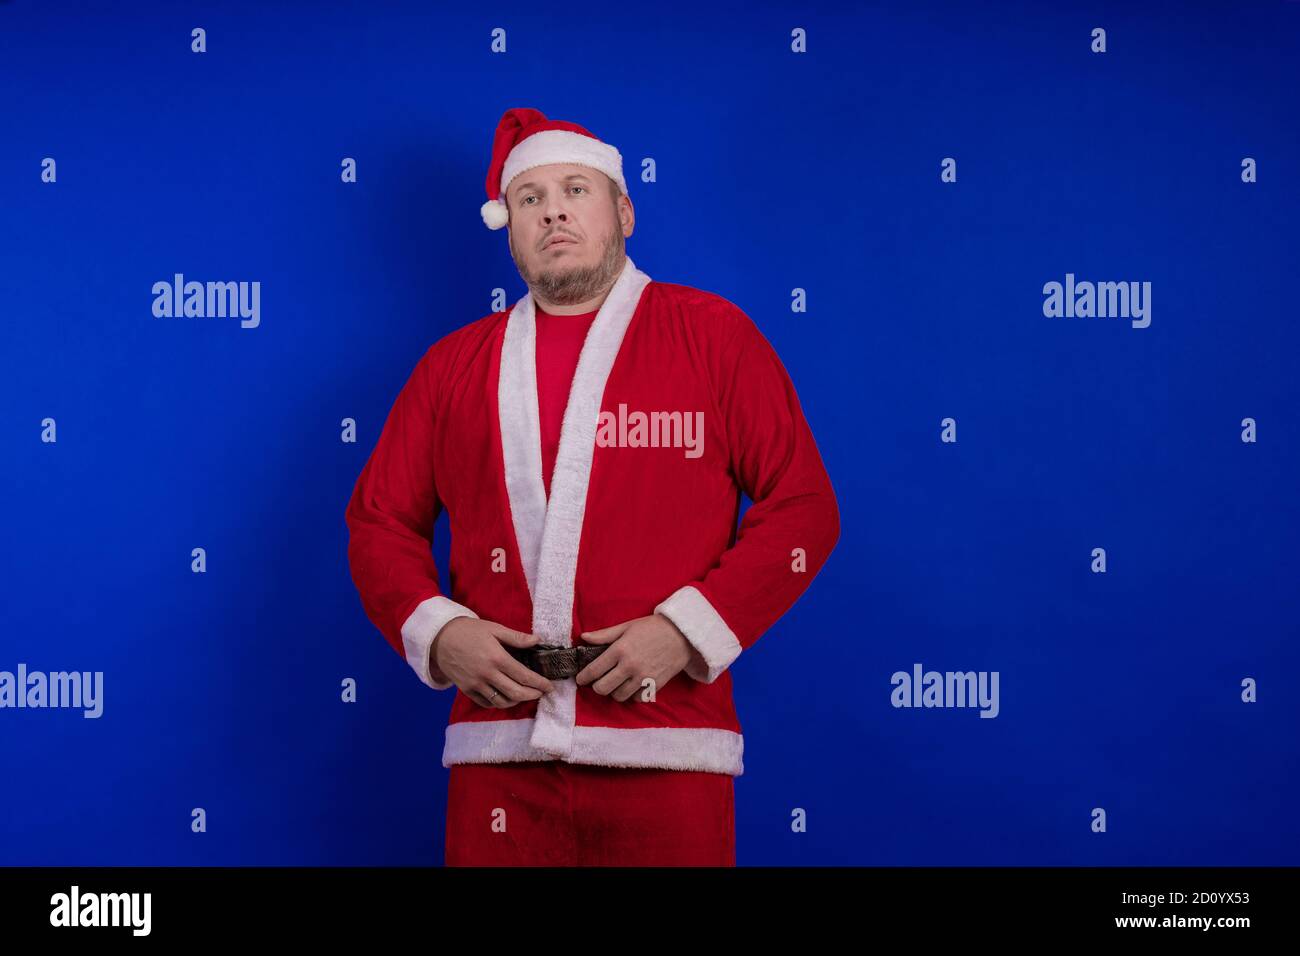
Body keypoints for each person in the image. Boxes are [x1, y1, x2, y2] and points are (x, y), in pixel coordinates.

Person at [345, 107, 840, 866]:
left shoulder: (714, 337)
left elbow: (804, 508)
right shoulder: (450, 367)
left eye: (576, 188)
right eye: (529, 198)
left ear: (624, 211)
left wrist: (685, 632)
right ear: (508, 227)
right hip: (497, 755)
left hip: (669, 747)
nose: (553, 212)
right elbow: (379, 522)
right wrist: (441, 634)